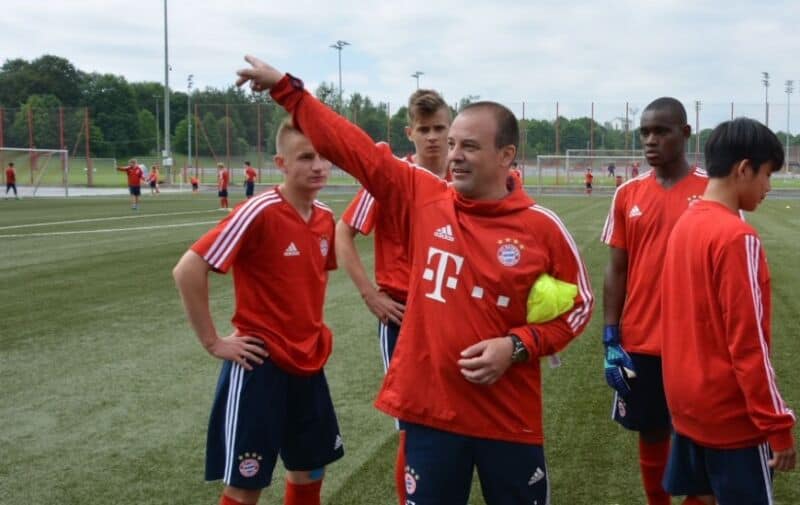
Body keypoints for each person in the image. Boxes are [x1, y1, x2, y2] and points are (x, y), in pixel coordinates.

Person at [237, 54, 594, 505]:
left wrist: (517, 345)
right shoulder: (423, 196)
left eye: (469, 146)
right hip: (431, 415)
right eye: (453, 143)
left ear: (506, 156)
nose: (454, 155)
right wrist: (287, 90)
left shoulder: (542, 227)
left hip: (509, 419)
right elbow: (354, 149)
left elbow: (580, 306)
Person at [173, 117, 344, 505]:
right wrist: (213, 342)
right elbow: (188, 269)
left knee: (310, 469)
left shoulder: (324, 217)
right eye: (305, 157)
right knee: (247, 482)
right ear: (281, 163)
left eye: (324, 157)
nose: (318, 166)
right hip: (260, 363)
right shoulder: (260, 211)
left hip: (309, 362)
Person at [660, 118, 796, 505]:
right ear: (744, 169)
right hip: (732, 420)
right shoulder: (737, 237)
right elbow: (749, 345)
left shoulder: (685, 224)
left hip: (687, 408)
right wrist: (777, 425)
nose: (769, 187)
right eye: (767, 175)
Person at [600, 97, 709, 505]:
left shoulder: (712, 190)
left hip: (696, 341)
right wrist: (611, 335)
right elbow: (617, 269)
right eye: (645, 132)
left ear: (685, 133)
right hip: (641, 341)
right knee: (651, 430)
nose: (650, 140)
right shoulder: (628, 194)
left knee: (700, 432)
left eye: (661, 131)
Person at [336, 89, 450, 375]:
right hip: (402, 310)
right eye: (424, 129)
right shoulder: (390, 176)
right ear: (410, 133)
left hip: (452, 306)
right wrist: (369, 295)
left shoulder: (462, 179)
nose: (432, 137)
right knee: (406, 401)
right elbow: (343, 230)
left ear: (451, 130)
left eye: (439, 128)